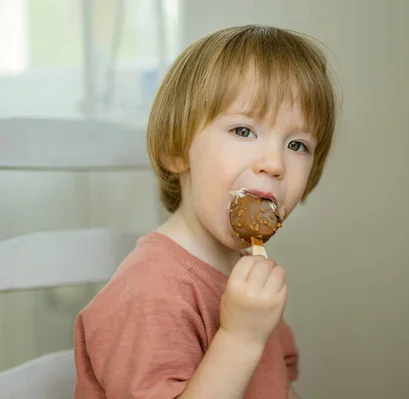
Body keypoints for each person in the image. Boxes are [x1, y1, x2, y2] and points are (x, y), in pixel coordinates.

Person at [73, 24, 338, 399]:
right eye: (244, 131)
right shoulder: (149, 294)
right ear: (177, 151)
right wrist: (241, 337)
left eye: (297, 144)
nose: (275, 163)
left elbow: (278, 386)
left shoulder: (248, 280)